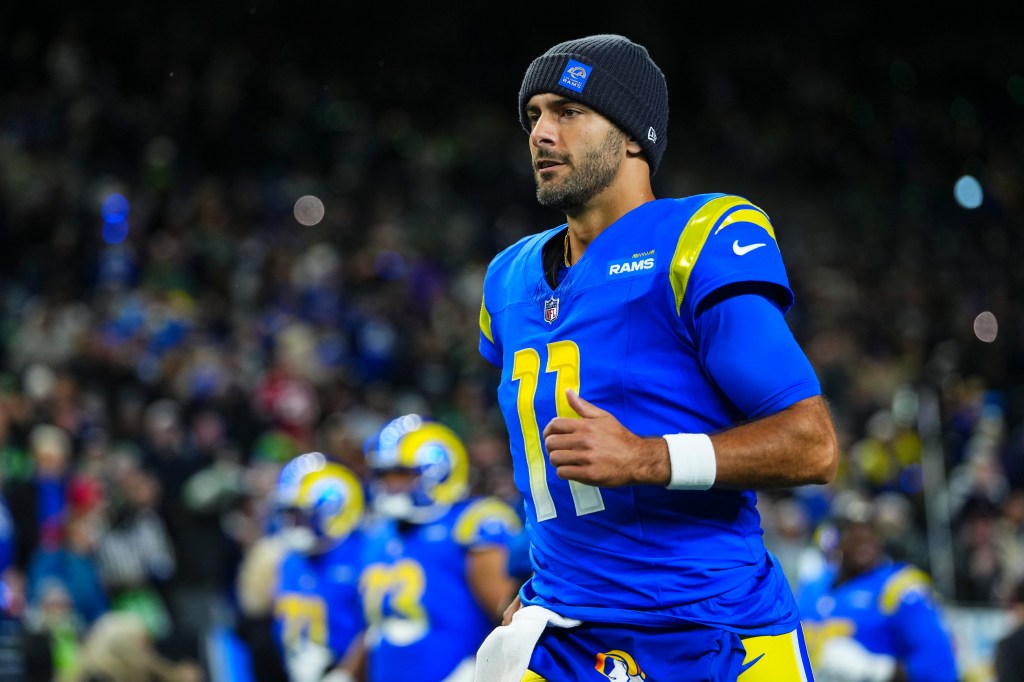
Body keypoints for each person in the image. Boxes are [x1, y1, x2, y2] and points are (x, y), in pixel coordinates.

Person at [475, 34, 839, 680]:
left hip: (712, 632)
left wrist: (648, 456)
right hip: (565, 633)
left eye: (567, 111)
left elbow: (812, 445)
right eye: (533, 116)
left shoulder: (696, 241)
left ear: (634, 135)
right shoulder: (507, 278)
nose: (540, 133)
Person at [358, 414, 522, 682]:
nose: (389, 484)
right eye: (384, 474)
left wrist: (484, 668)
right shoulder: (378, 535)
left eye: (400, 473)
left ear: (438, 470)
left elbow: (511, 617)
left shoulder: (472, 521)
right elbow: (377, 628)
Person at [796, 494, 958, 682]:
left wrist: (877, 670)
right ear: (836, 536)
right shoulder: (811, 585)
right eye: (851, 529)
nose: (862, 537)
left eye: (870, 529)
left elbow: (940, 668)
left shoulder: (900, 587)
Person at [270, 452, 367, 682]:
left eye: (300, 514)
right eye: (288, 514)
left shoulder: (362, 555)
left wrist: (345, 674)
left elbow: (375, 630)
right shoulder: (290, 561)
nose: (292, 524)